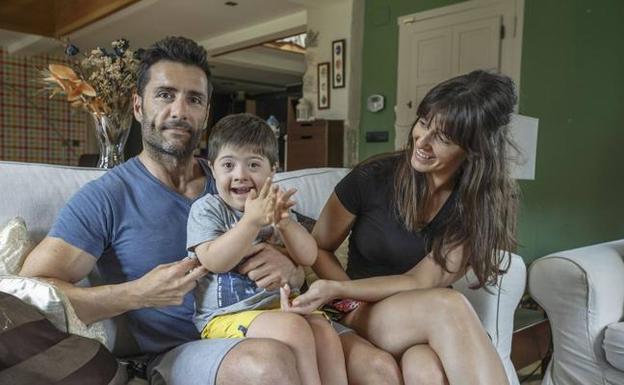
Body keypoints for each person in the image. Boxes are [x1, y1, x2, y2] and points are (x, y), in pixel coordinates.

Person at [20, 36, 307, 385]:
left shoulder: (237, 178)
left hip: (264, 322)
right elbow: (31, 293)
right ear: (138, 107)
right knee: (267, 362)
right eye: (166, 95)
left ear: (205, 112)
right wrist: (136, 293)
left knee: (370, 363)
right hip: (179, 351)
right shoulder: (108, 197)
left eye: (194, 99)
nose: (180, 111)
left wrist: (293, 271)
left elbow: (310, 250)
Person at [283, 70, 519, 385]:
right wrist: (344, 294)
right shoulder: (372, 177)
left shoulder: (477, 203)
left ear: (473, 150)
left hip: (419, 315)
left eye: (443, 138)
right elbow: (319, 246)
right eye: (423, 122)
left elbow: (421, 281)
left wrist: (340, 289)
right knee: (450, 306)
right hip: (362, 308)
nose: (422, 141)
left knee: (425, 370)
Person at [187, 113, 347, 385]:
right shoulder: (207, 209)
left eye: (253, 164)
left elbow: (308, 256)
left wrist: (285, 224)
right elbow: (214, 261)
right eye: (228, 165)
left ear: (273, 171)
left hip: (280, 307)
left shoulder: (276, 208)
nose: (240, 175)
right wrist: (251, 221)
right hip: (224, 317)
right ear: (213, 170)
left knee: (325, 332)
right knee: (295, 328)